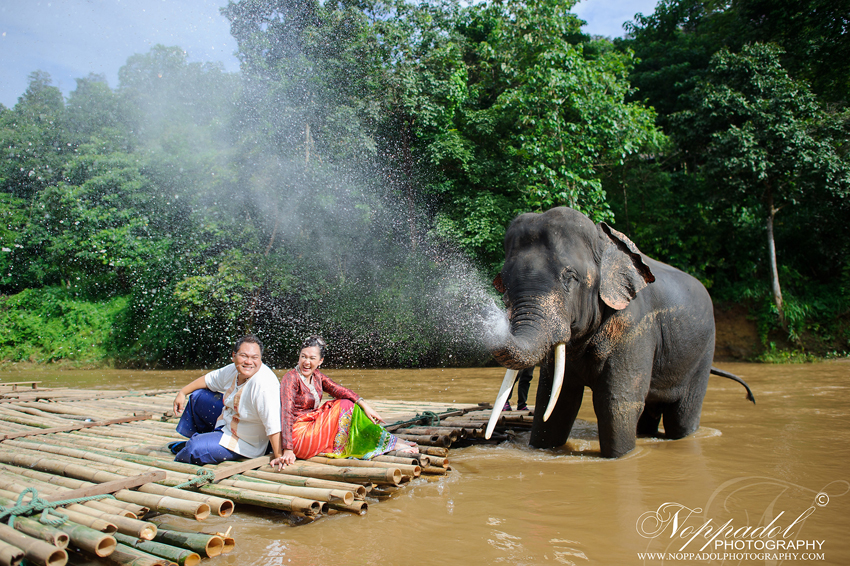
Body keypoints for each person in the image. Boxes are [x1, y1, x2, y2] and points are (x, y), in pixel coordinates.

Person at [270, 335, 417, 469]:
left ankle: (389, 442)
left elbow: (340, 390)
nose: (306, 362)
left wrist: (365, 405)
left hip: (311, 426)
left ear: (320, 361)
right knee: (344, 405)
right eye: (303, 357)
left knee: (349, 402)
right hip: (298, 437)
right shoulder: (290, 378)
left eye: (312, 358)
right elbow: (286, 414)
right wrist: (288, 449)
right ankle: (389, 444)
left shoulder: (317, 376)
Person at [170, 335, 282, 465]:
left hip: (245, 441)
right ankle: (207, 440)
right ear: (234, 356)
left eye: (254, 357)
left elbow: (273, 423)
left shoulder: (264, 385)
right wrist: (182, 392)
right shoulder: (234, 369)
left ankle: (199, 443)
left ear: (260, 359)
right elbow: (208, 379)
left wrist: (278, 455)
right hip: (228, 421)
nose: (249, 362)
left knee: (194, 448)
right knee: (198, 396)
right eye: (244, 356)